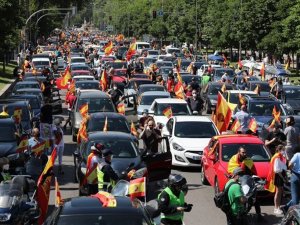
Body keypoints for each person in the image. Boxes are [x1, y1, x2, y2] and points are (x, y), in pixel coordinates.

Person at [265, 145, 287, 215]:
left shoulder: (280, 157)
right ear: (279, 150)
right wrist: (283, 178)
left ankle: (278, 207)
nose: (284, 151)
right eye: (283, 150)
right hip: (278, 176)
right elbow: (276, 170)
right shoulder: (277, 157)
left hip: (281, 174)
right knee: (278, 192)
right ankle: (276, 208)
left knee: (280, 192)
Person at [281, 146, 300, 213]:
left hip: (295, 176)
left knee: (295, 198)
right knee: (296, 198)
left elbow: (289, 164)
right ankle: (293, 214)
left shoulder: (297, 155)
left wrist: (292, 169)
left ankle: (287, 208)